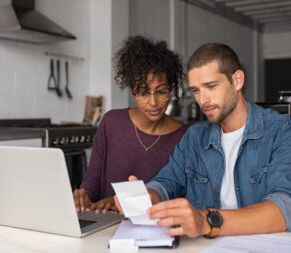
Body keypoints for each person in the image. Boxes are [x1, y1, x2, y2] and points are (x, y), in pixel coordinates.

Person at [117, 43, 291, 238]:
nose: (203, 99)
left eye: (211, 86)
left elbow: (284, 208)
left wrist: (207, 221)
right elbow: (166, 183)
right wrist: (143, 197)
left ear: (237, 80)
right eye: (196, 90)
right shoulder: (194, 137)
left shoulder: (282, 130)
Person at [74, 35, 187, 213]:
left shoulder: (184, 137)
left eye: (161, 91)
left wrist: (121, 201)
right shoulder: (112, 123)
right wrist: (84, 194)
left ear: (171, 89)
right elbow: (93, 179)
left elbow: (177, 194)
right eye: (143, 92)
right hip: (104, 224)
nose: (153, 102)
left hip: (153, 229)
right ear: (132, 91)